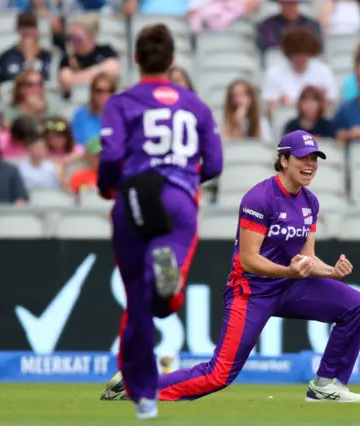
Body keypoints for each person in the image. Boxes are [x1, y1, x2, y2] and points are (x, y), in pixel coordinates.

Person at [101, 129, 360, 404]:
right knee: (219, 375)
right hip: (250, 291)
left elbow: (306, 258)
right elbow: (248, 260)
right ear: (285, 160)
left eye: (315, 158)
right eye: (303, 157)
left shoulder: (310, 202)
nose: (311, 164)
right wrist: (288, 272)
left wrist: (331, 271)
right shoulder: (259, 198)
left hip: (289, 286)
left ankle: (325, 385)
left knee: (357, 305)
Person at [96, 23, 223, 420]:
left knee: (136, 304)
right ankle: (170, 290)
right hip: (179, 200)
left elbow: (111, 158)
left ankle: (145, 396)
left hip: (134, 197)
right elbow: (215, 163)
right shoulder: (196, 106)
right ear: (172, 60)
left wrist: (108, 188)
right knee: (163, 300)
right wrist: (183, 181)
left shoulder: (121, 103)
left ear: (136, 57)